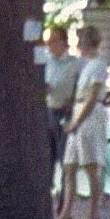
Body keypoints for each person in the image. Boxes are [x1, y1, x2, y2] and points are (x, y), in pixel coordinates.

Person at [57, 25, 110, 219]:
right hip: (79, 113)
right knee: (69, 165)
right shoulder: (86, 65)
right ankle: (65, 213)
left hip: (88, 116)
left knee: (90, 165)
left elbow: (93, 96)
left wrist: (78, 121)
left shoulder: (98, 65)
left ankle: (94, 213)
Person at [40, 25, 81, 172]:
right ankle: (47, 190)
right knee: (46, 155)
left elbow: (80, 87)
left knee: (65, 155)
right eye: (48, 42)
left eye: (54, 41)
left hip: (66, 112)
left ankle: (65, 191)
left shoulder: (75, 63)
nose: (50, 46)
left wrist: (73, 101)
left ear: (64, 42)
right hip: (48, 110)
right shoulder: (44, 62)